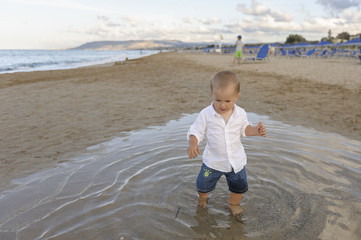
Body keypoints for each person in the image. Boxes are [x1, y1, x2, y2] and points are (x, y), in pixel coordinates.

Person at [187, 71, 266, 215]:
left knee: (238, 187)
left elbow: (244, 129)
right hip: (213, 162)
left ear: (237, 97)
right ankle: (203, 199)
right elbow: (196, 131)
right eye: (218, 100)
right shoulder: (206, 114)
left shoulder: (240, 113)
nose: (222, 105)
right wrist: (193, 143)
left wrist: (255, 130)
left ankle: (233, 204)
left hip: (236, 162)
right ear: (212, 95)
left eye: (227, 101)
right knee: (203, 185)